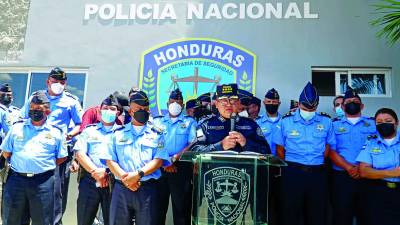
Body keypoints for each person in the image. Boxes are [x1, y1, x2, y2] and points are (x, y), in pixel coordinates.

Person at [21, 67, 83, 225]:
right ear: (48, 81)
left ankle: (55, 222)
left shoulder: (71, 101)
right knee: (32, 188)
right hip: (35, 149)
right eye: (55, 81)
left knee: (57, 191)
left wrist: (70, 134)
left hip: (59, 153)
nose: (58, 84)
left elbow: (80, 125)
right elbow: (22, 118)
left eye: (62, 82)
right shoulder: (36, 97)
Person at [101, 89, 169, 225]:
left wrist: (137, 175)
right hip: (121, 189)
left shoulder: (158, 134)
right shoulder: (117, 133)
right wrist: (126, 179)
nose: (142, 111)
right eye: (139, 108)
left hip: (147, 189)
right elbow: (110, 159)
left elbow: (159, 160)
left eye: (145, 108)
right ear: (131, 111)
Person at [1, 91, 67, 225]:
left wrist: (41, 165)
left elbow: (61, 157)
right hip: (16, 180)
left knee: (43, 220)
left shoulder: (56, 132)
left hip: (43, 182)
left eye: (38, 109)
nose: (34, 111)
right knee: (13, 219)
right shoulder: (17, 128)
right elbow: (6, 152)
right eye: (31, 108)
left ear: (47, 111)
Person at [273, 82, 335, 225]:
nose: (310, 110)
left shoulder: (326, 122)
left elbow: (328, 147)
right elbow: (280, 149)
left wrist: (315, 162)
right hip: (293, 173)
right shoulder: (286, 121)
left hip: (318, 174)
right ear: (300, 104)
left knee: (317, 214)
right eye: (306, 107)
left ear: (317, 105)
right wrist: (293, 167)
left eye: (313, 107)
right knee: (290, 213)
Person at [329, 87, 375, 225]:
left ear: (362, 106)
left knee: (368, 216)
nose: (352, 103)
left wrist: (363, 168)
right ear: (342, 106)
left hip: (368, 177)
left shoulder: (373, 124)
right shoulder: (333, 125)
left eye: (355, 101)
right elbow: (330, 150)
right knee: (342, 216)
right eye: (349, 101)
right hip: (342, 177)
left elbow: (379, 148)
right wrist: (349, 168)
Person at [74, 95, 122, 225]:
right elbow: (80, 153)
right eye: (105, 108)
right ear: (99, 111)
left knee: (112, 221)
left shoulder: (123, 133)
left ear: (117, 112)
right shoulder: (90, 131)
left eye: (112, 109)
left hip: (113, 182)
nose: (108, 111)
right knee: (84, 219)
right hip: (90, 181)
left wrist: (106, 173)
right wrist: (96, 172)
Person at [153, 89, 197, 225]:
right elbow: (153, 142)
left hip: (181, 169)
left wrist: (175, 158)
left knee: (182, 210)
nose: (175, 104)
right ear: (167, 104)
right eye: (172, 102)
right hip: (159, 168)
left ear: (183, 106)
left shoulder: (190, 122)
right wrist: (166, 162)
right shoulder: (157, 121)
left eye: (178, 102)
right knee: (157, 209)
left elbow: (192, 142)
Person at [191, 84, 270, 154]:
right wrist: (219, 146)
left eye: (232, 100)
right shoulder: (205, 125)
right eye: (224, 101)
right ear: (217, 104)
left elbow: (266, 151)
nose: (228, 104)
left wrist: (246, 143)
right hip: (214, 170)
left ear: (239, 103)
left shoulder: (251, 125)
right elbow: (194, 151)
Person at [356, 108, 400, 225]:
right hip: (378, 192)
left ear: (397, 122)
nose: (384, 124)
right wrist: (393, 173)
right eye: (379, 122)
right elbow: (364, 171)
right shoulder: (371, 142)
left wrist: (377, 171)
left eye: (388, 120)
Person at [256, 88, 281, 155]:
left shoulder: (285, 122)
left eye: (274, 102)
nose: (271, 104)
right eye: (269, 102)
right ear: (264, 103)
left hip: (281, 161)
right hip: (263, 160)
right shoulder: (257, 122)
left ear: (279, 103)